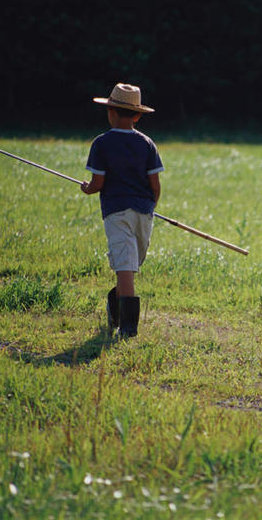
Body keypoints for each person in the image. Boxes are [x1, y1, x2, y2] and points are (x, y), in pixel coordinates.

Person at [81, 83, 163, 337]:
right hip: (142, 212)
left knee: (128, 264)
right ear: (138, 115)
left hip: (116, 211)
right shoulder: (147, 144)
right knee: (128, 265)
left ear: (111, 112)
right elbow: (155, 185)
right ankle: (128, 329)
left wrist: (87, 188)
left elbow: (98, 183)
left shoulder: (101, 143)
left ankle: (116, 306)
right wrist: (150, 207)